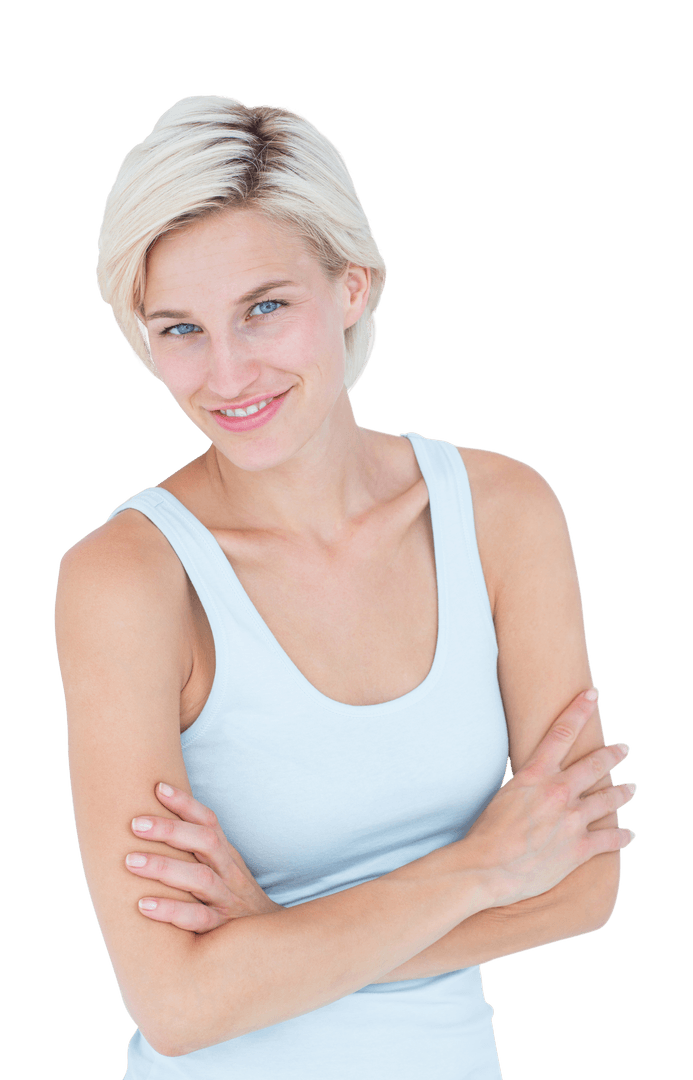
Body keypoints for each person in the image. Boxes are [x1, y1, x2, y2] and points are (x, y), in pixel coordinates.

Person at [54, 96, 636, 1080]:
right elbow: (181, 1004)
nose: (228, 371)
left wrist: (275, 941)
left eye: (265, 307)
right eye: (179, 328)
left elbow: (584, 885)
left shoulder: (502, 513)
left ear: (353, 286)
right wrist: (481, 868)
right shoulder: (130, 579)